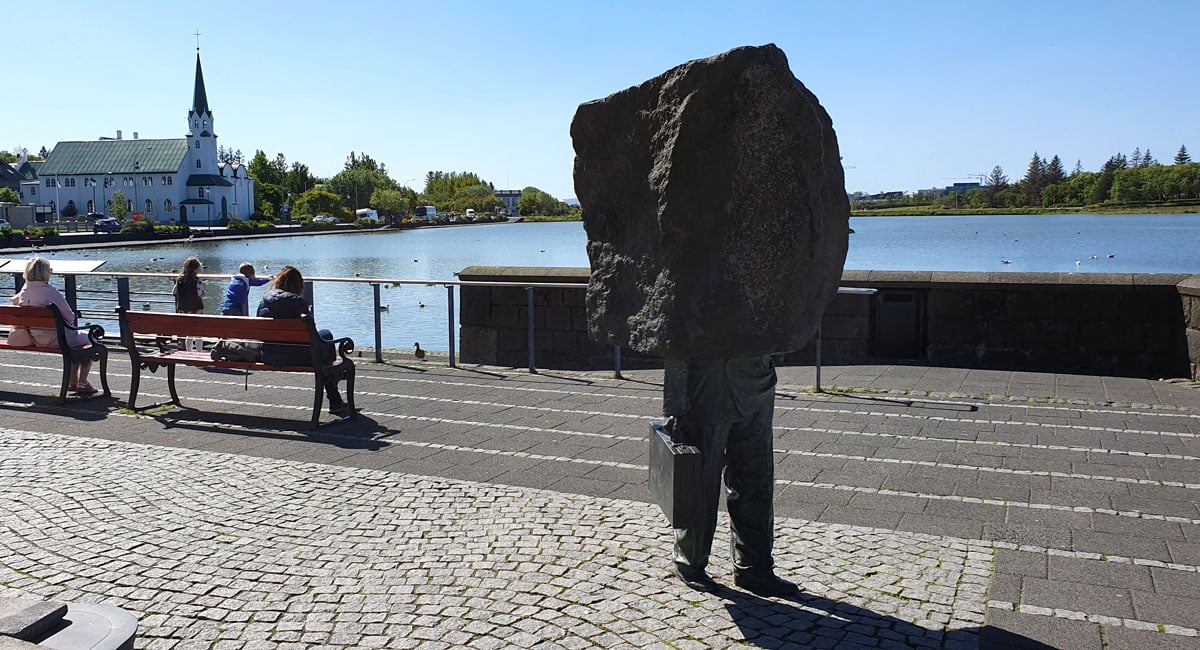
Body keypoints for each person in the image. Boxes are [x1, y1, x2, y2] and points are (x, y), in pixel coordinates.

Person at [671, 355, 800, 597]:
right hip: (706, 382)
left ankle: (754, 567)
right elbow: (673, 329)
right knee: (700, 478)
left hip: (756, 381)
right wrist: (674, 401)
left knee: (756, 476)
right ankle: (690, 561)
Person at [256, 266, 351, 415]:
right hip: (299, 357)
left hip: (271, 355)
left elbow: (260, 334)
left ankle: (335, 383)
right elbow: (312, 335)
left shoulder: (264, 302)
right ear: (298, 285)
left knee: (322, 347)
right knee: (326, 335)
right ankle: (334, 394)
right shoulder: (298, 302)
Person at [7, 257, 97, 394]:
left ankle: (73, 381)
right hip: (58, 339)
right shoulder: (51, 292)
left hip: (36, 338)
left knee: (77, 342)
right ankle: (82, 382)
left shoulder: (24, 291)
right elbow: (70, 317)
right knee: (89, 341)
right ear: (45, 273)